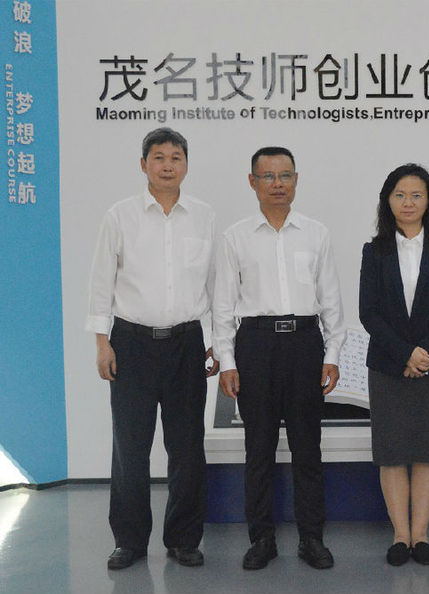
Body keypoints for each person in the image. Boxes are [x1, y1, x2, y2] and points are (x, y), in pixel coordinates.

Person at [87, 127, 218, 570]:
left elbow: (214, 285)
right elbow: (101, 282)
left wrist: (216, 341)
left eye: (176, 157)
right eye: (158, 157)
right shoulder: (120, 216)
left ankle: (183, 538)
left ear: (186, 165)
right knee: (130, 447)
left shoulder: (203, 216)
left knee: (187, 447)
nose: (167, 166)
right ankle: (129, 541)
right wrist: (102, 342)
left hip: (187, 343)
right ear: (143, 165)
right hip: (131, 343)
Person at [213, 146, 346, 570]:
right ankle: (262, 539)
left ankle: (312, 538)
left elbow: (331, 300)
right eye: (267, 176)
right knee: (259, 450)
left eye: (285, 175)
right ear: (252, 182)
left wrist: (332, 353)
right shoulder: (235, 237)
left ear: (296, 180)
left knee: (308, 449)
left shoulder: (316, 233)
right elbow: (222, 306)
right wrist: (228, 361)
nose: (277, 184)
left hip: (305, 345)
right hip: (255, 346)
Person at [359, 164, 429, 566]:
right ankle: (400, 536)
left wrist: (422, 355)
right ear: (387, 200)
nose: (408, 202)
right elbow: (369, 312)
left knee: (425, 451)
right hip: (388, 366)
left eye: (417, 195)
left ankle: (421, 535)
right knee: (392, 452)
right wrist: (404, 354)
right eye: (400, 195)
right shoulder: (374, 251)